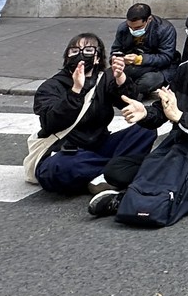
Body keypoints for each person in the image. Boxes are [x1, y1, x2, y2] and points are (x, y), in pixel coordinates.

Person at [88, 19, 188, 219]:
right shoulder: (185, 70)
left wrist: (180, 117)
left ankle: (126, 199)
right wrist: (145, 113)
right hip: (178, 147)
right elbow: (163, 110)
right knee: (115, 170)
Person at [32, 33, 157, 194]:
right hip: (67, 151)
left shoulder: (104, 79)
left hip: (99, 145)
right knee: (57, 168)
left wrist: (121, 80)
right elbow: (51, 122)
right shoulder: (51, 86)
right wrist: (75, 91)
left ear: (97, 58)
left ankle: (107, 174)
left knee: (146, 127)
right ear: (67, 56)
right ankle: (118, 171)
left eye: (88, 50)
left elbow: (130, 104)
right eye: (74, 51)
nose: (81, 55)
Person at [108, 3, 178, 98]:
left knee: (149, 81)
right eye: (130, 27)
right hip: (133, 65)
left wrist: (139, 59)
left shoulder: (165, 29)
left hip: (158, 67)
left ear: (149, 19)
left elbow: (166, 57)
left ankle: (133, 92)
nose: (133, 30)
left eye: (137, 28)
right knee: (110, 75)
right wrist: (118, 59)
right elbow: (116, 50)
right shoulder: (123, 28)